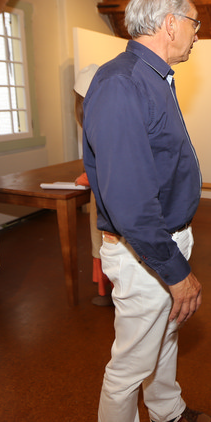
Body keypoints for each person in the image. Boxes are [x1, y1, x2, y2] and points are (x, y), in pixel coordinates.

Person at [82, 0, 211, 422]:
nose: (197, 33)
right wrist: (175, 271)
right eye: (194, 23)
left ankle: (164, 407)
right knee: (130, 365)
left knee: (167, 333)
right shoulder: (121, 84)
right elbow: (131, 203)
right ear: (170, 24)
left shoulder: (152, 75)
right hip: (143, 251)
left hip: (163, 238)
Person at [72, 63, 112, 307]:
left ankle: (109, 291)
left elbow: (103, 163)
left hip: (105, 197)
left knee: (105, 242)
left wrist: (85, 178)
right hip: (109, 194)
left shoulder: (95, 125)